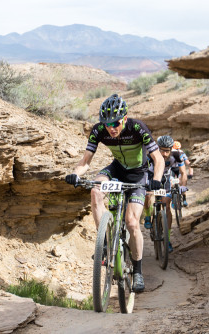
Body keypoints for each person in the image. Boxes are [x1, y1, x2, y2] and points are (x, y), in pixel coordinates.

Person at [65, 93, 164, 293]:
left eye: (116, 123)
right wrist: (75, 174)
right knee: (95, 190)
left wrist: (156, 180)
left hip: (138, 175)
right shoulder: (99, 130)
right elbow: (85, 162)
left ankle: (137, 271)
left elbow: (158, 159)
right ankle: (105, 243)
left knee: (132, 222)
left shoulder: (137, 128)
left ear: (124, 119)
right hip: (116, 169)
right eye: (107, 123)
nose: (111, 128)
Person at [143, 135, 187, 252]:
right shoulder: (150, 156)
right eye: (162, 150)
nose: (165, 154)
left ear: (171, 149)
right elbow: (144, 173)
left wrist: (182, 187)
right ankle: (148, 215)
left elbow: (183, 173)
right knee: (147, 195)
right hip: (152, 177)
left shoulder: (176, 155)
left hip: (166, 179)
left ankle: (167, 239)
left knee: (166, 206)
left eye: (167, 151)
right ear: (158, 148)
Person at [172, 141, 192, 207]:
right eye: (176, 149)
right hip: (171, 169)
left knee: (182, 182)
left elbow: (189, 164)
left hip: (179, 169)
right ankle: (173, 198)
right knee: (171, 183)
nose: (178, 150)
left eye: (178, 149)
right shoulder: (170, 153)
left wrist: (190, 173)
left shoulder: (182, 153)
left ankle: (184, 198)